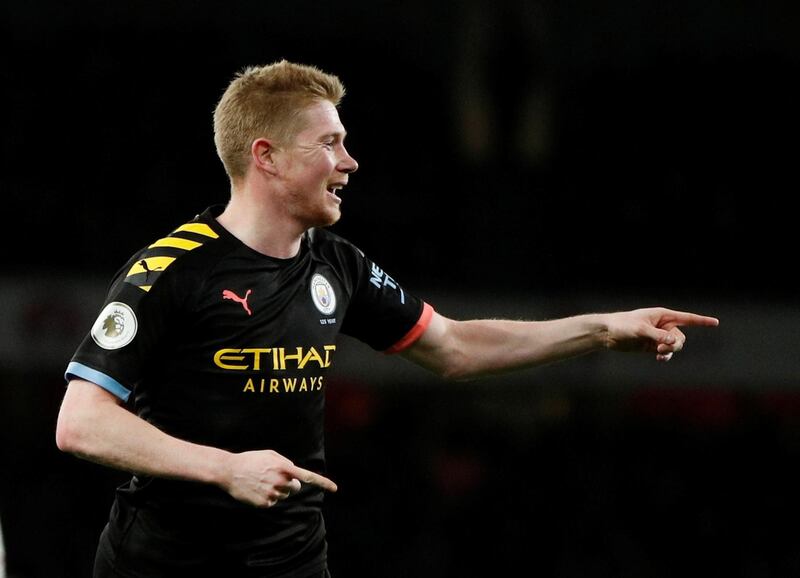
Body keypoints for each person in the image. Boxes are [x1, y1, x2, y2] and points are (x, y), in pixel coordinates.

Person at [55, 60, 719, 578]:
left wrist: (604, 328)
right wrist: (224, 468)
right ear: (267, 156)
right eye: (331, 143)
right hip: (162, 561)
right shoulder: (172, 269)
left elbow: (454, 345)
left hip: (289, 559)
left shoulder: (336, 265)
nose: (350, 161)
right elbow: (79, 422)